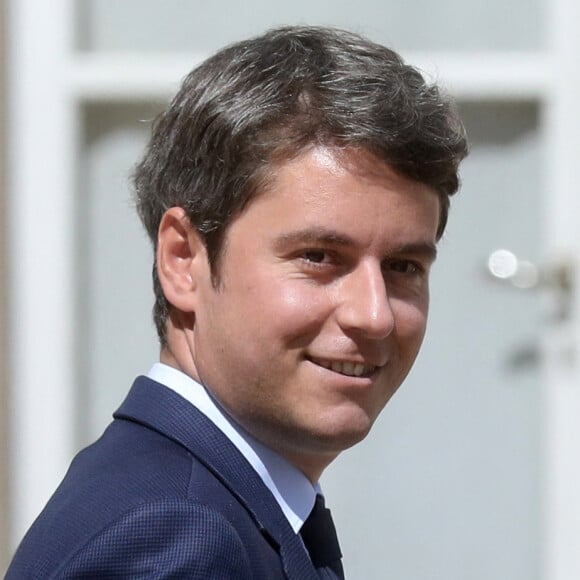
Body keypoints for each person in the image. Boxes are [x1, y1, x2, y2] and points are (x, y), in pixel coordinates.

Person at [7, 25, 467, 579]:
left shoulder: (203, 500)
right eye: (319, 257)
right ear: (183, 259)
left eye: (403, 267)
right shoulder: (176, 537)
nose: (374, 314)